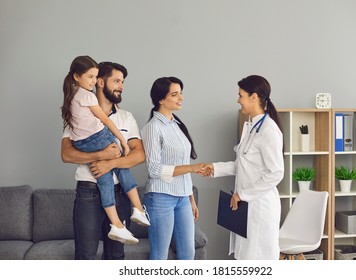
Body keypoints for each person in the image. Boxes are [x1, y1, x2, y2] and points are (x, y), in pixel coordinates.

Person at [61, 60, 145, 259]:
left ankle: (135, 210)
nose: (121, 87)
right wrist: (100, 155)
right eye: (116, 81)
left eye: (122, 82)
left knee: (116, 256)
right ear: (100, 82)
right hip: (88, 193)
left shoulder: (126, 117)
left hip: (120, 194)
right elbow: (66, 154)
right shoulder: (78, 113)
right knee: (86, 256)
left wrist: (111, 163)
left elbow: (139, 154)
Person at [201, 75, 284, 260]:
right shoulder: (251, 127)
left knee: (257, 259)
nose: (238, 100)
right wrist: (214, 168)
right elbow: (242, 165)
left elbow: (276, 173)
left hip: (260, 206)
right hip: (247, 206)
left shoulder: (268, 130)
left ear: (254, 97)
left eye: (241, 95)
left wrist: (242, 195)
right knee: (245, 257)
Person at [141, 76, 203, 260]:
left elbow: (183, 162)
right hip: (161, 198)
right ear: (161, 99)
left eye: (181, 93)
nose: (180, 98)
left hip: (183, 197)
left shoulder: (177, 125)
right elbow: (154, 169)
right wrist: (191, 169)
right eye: (174, 94)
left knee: (188, 254)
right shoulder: (152, 128)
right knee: (160, 257)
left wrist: (190, 198)